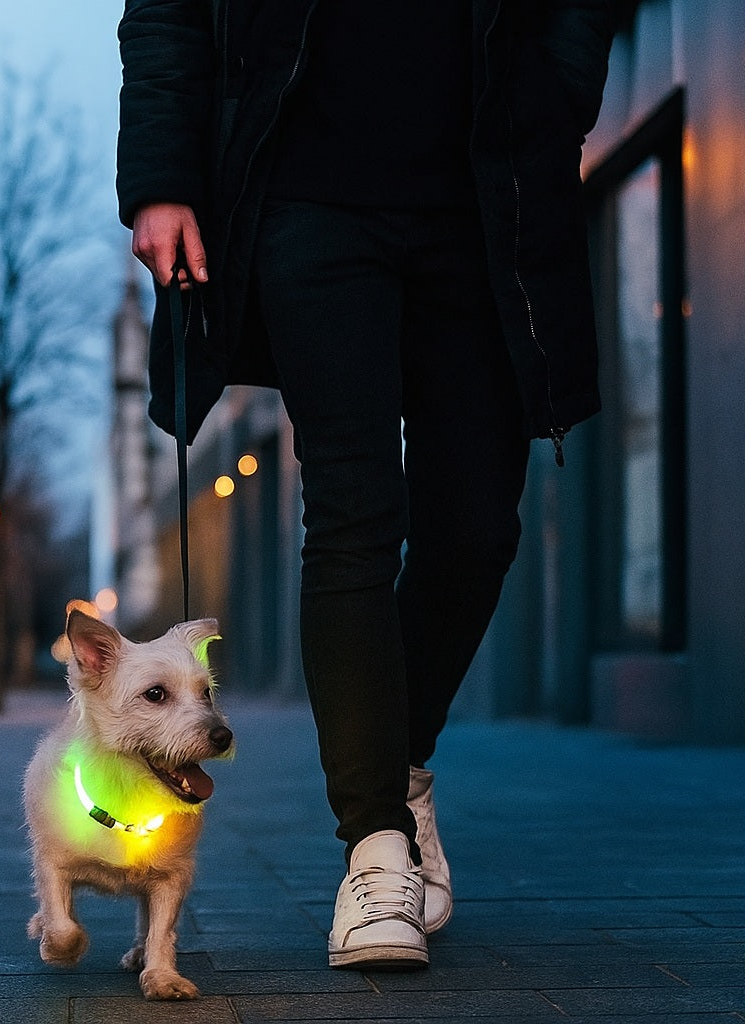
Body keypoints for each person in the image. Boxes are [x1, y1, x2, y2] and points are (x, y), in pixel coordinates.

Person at [117, 0, 615, 970]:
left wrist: (555, 105)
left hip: (487, 191)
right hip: (303, 194)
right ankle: (375, 847)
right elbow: (168, 11)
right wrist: (161, 177)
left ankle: (397, 765)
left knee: (477, 525)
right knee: (351, 511)